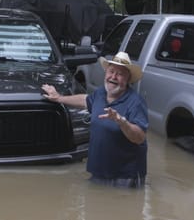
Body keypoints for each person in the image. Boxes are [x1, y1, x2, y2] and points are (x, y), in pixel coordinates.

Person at [42, 51, 148, 187]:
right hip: (98, 172)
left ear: (128, 79)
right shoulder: (100, 93)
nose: (113, 77)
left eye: (120, 74)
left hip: (125, 177)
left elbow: (139, 138)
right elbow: (85, 100)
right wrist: (59, 98)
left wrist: (122, 122)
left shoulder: (136, 102)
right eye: (111, 71)